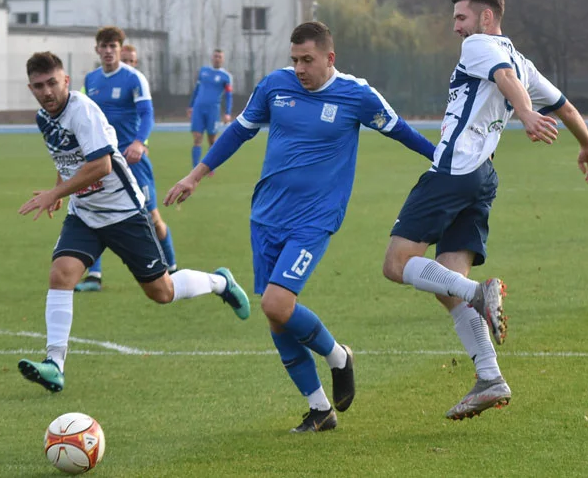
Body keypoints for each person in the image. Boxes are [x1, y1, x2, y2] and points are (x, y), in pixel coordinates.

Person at [164, 21, 437, 433]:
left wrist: (445, 164)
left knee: (275, 304)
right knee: (278, 319)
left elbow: (401, 131)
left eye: (307, 60)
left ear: (330, 58)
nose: (300, 68)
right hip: (266, 216)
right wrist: (195, 175)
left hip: (314, 219)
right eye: (294, 60)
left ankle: (339, 357)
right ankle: (319, 409)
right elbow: (239, 131)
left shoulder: (356, 95)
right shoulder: (275, 86)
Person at [380, 0, 588, 421]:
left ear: (485, 17)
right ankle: (489, 375)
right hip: (483, 178)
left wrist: (522, 113)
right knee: (445, 284)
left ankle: (481, 293)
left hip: (454, 169)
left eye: (461, 17)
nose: (456, 28)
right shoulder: (523, 62)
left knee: (397, 263)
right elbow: (567, 108)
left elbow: (503, 80)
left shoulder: (481, 46)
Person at [16, 51, 250, 393]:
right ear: (31, 88)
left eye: (53, 82)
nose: (47, 91)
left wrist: (54, 194)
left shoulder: (82, 111)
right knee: (61, 274)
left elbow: (101, 166)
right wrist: (61, 191)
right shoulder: (44, 118)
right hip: (84, 213)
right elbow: (67, 157)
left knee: (161, 292)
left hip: (123, 212)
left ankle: (220, 283)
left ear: (65, 80)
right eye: (39, 86)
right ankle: (54, 364)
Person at [74, 27, 177, 293]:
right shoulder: (91, 79)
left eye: (113, 46)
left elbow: (147, 114)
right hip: (101, 161)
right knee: (92, 211)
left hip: (131, 162)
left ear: (120, 48)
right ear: (97, 49)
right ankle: (94, 276)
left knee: (151, 218)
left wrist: (139, 143)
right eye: (103, 46)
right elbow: (84, 116)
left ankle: (173, 268)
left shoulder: (134, 78)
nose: (108, 51)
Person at [188, 49, 233, 168]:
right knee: (197, 138)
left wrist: (228, 113)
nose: (217, 58)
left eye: (220, 57)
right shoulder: (203, 71)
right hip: (198, 108)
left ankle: (209, 166)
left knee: (212, 140)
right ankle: (195, 167)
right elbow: (196, 90)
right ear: (212, 58)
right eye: (215, 56)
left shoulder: (226, 76)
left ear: (222, 59)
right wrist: (191, 105)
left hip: (213, 110)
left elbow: (229, 96)